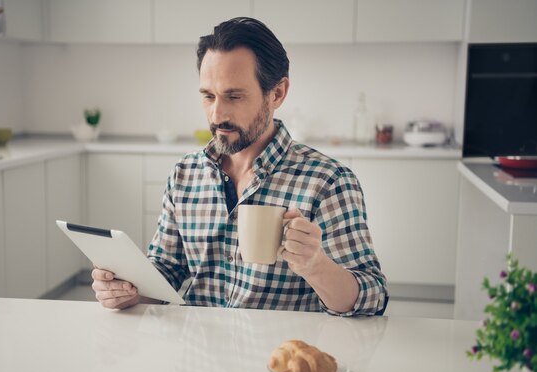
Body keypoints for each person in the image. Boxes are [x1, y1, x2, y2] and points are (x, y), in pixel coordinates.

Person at [91, 17, 388, 316]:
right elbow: (167, 269)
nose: (217, 114)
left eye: (234, 96)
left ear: (277, 94)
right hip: (196, 354)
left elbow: (373, 298)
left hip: (276, 357)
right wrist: (127, 290)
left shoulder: (328, 181)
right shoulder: (184, 175)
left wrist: (317, 267)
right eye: (208, 96)